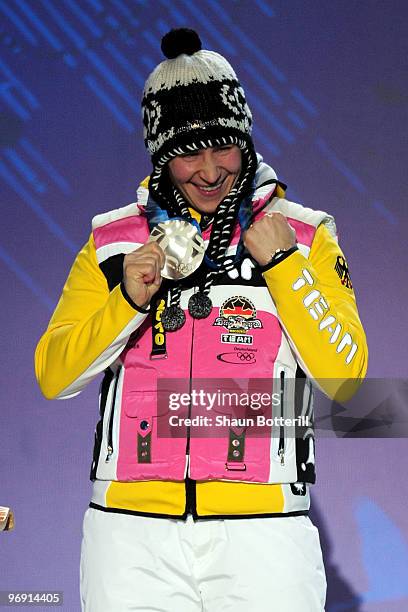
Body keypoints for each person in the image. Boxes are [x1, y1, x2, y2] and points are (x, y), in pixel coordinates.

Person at [35, 28, 368, 612]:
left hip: (266, 530)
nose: (211, 170)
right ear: (160, 154)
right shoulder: (112, 242)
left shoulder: (306, 234)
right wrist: (127, 302)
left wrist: (286, 268)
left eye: (225, 147)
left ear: (247, 141)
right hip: (128, 536)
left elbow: (347, 378)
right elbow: (53, 376)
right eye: (189, 151)